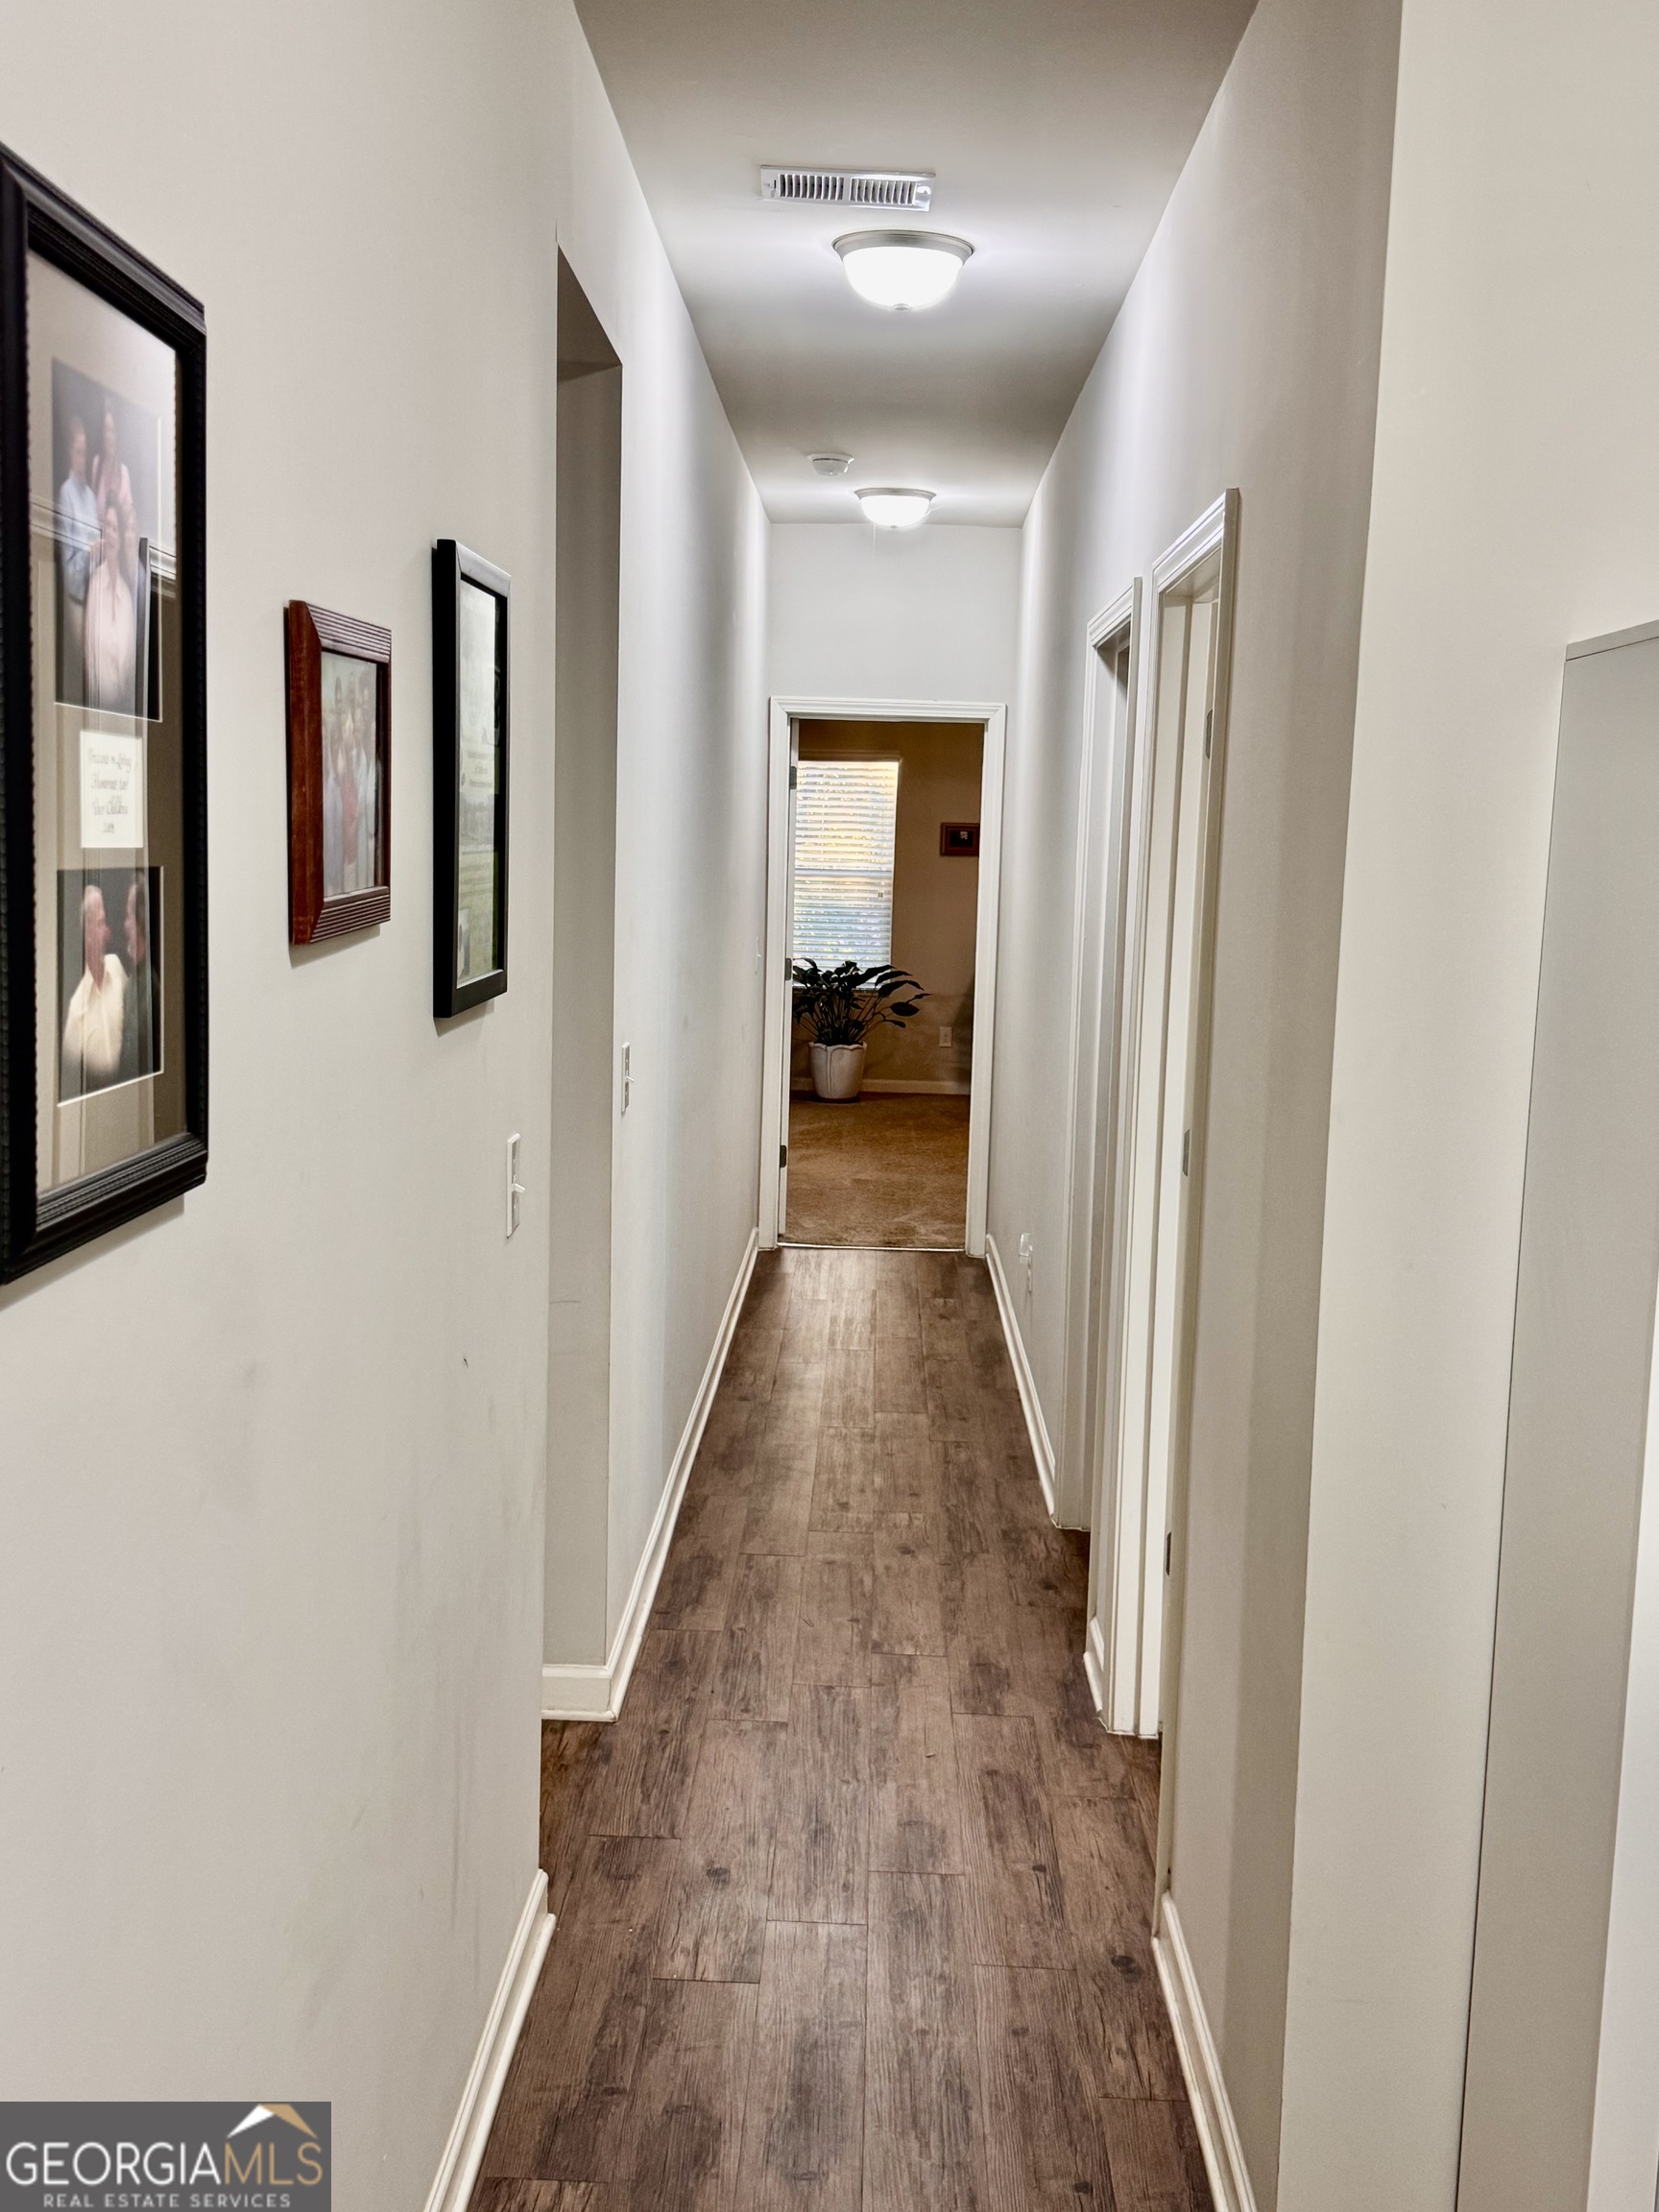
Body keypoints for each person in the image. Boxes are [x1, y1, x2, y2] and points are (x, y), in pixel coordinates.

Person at [62, 882, 126, 1095]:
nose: (107, 932)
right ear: (87, 933)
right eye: (100, 923)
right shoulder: (76, 1009)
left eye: (105, 921)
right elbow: (69, 1078)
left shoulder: (117, 968)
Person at [56, 415, 99, 705]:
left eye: (86, 452)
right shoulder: (66, 494)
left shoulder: (92, 496)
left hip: (95, 592)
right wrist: (89, 554)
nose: (83, 459)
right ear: (71, 453)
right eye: (79, 452)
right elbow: (68, 570)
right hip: (76, 597)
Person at [83, 501, 136, 713]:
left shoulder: (127, 597)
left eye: (116, 528)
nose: (111, 534)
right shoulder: (95, 583)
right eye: (107, 527)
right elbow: (89, 653)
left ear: (122, 539)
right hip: (94, 710)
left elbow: (130, 668)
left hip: (121, 711)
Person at [119, 875, 160, 1084]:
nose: (125, 925)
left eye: (128, 916)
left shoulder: (153, 988)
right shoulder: (132, 982)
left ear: (142, 922)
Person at [90, 400, 132, 525]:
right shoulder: (96, 465)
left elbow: (129, 517)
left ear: (117, 434)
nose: (109, 436)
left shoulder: (124, 472)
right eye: (106, 430)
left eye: (112, 430)